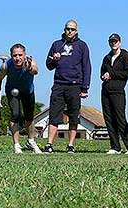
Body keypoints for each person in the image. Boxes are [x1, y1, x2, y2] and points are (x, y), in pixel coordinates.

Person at [44, 20, 91, 154]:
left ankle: (70, 145)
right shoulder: (56, 44)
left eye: (72, 29)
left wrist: (85, 88)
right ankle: (49, 144)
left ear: (76, 31)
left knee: (73, 116)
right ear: (64, 29)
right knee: (54, 115)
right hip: (59, 84)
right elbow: (48, 65)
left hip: (75, 86)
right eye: (68, 29)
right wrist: (54, 59)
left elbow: (86, 67)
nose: (70, 31)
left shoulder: (82, 46)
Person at [0, 43, 42, 154]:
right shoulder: (6, 65)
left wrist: (29, 68)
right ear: (11, 56)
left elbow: (36, 71)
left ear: (24, 55)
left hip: (28, 91)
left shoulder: (29, 62)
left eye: (20, 55)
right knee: (15, 115)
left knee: (29, 117)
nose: (17, 58)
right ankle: (17, 145)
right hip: (12, 90)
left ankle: (31, 141)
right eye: (15, 55)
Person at [100, 33, 128, 154]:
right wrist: (104, 76)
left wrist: (111, 74)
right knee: (109, 119)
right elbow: (102, 73)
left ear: (120, 43)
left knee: (120, 119)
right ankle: (115, 147)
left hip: (118, 92)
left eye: (115, 41)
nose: (113, 44)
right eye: (111, 42)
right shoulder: (106, 57)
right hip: (106, 91)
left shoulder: (125, 56)